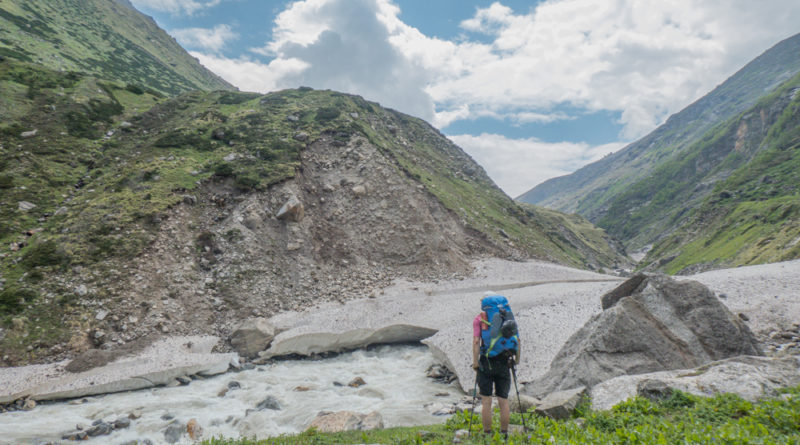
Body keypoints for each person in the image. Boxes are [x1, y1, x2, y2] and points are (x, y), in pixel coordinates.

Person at [472, 293, 520, 437]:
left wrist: (475, 362)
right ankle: (504, 434)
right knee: (503, 400)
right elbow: (517, 339)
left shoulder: (479, 319)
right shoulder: (508, 317)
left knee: (486, 400)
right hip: (505, 362)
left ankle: (487, 434)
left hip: (486, 363)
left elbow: (476, 342)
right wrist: (516, 360)